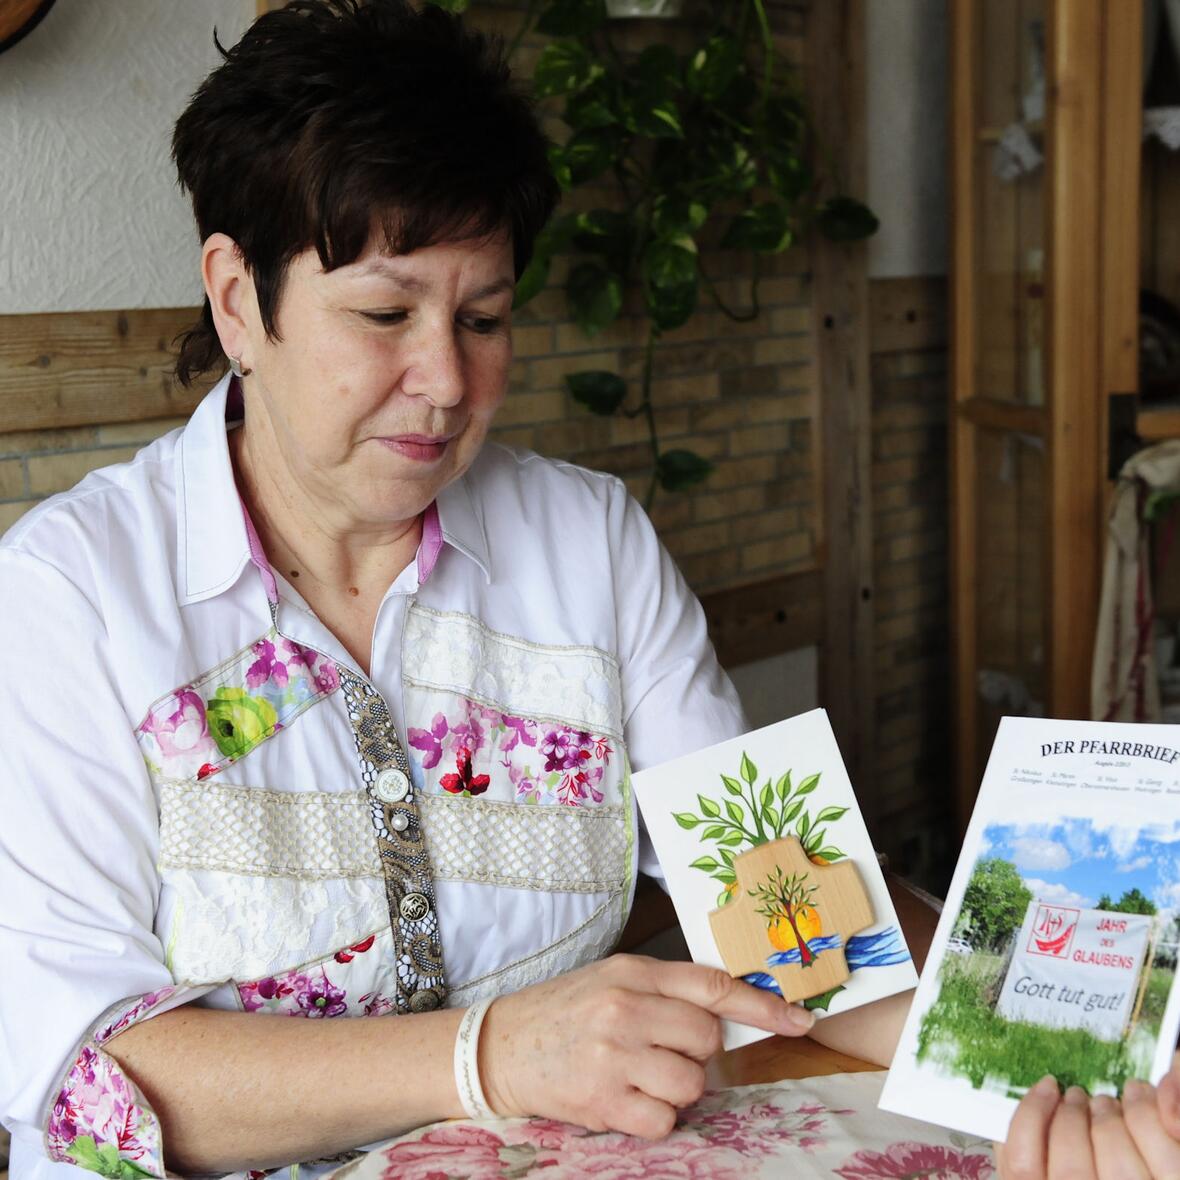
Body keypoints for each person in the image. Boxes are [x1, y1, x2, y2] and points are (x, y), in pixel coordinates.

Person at [0, 3, 931, 1178]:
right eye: (384, 314)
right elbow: (85, 1077)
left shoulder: (590, 543)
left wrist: (1060, 1057)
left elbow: (789, 913)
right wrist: (488, 1057)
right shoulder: (70, 597)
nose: (445, 379)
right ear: (238, 297)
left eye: (483, 318)